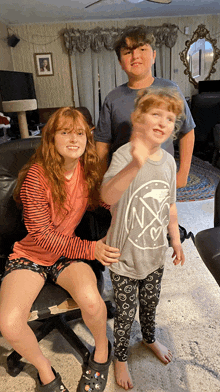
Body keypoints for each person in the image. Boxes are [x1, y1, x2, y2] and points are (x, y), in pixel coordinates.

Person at [0, 107, 121, 392]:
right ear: (51, 138)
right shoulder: (35, 177)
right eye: (65, 132)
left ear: (87, 138)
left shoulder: (89, 171)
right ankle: (45, 371)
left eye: (79, 132)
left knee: (93, 302)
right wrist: (92, 250)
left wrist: (121, 214)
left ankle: (101, 354)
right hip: (31, 256)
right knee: (9, 323)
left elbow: (107, 200)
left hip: (67, 256)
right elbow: (42, 235)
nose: (73, 138)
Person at [101, 87, 185, 390]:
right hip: (123, 256)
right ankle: (120, 358)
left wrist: (174, 239)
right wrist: (135, 164)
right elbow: (106, 196)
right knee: (125, 315)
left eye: (170, 118)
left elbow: (170, 205)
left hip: (154, 253)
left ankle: (149, 338)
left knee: (151, 305)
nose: (164, 122)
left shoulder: (169, 162)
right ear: (139, 117)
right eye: (156, 114)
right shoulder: (124, 155)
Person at [95, 25, 195, 189]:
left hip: (162, 177)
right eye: (128, 52)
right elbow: (102, 144)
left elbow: (187, 131)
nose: (135, 56)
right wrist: (101, 180)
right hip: (123, 180)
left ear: (153, 56)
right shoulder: (112, 98)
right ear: (120, 62)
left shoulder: (171, 89)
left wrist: (183, 174)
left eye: (142, 49)